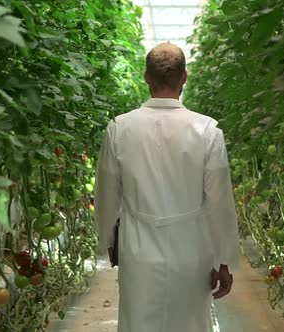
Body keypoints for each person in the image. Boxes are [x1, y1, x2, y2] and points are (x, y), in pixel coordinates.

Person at [94, 42, 240, 332]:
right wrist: (225, 260)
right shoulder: (206, 131)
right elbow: (220, 202)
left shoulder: (120, 129)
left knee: (138, 322)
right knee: (190, 324)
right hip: (192, 252)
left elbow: (107, 196)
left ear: (146, 76)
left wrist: (108, 242)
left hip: (138, 252)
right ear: (184, 77)